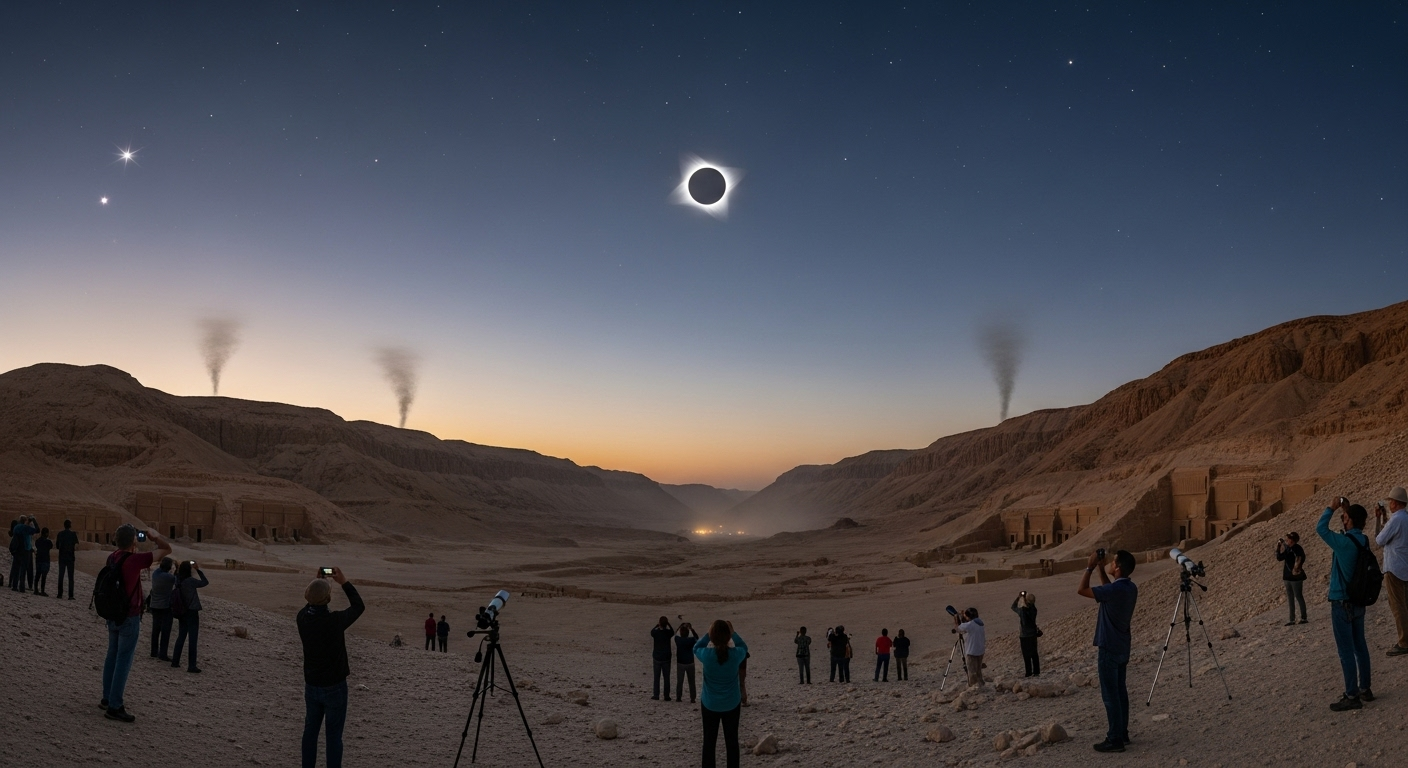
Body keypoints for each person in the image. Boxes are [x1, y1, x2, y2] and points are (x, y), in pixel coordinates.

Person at [100, 524, 172, 722]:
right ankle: (115, 706)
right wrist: (155, 537)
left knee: (112, 656)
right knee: (124, 660)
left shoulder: (112, 556)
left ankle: (107, 698)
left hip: (113, 614)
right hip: (129, 616)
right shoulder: (134, 560)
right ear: (133, 541)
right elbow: (167, 550)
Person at [298, 566, 365, 768]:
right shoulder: (334, 621)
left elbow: (310, 602)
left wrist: (318, 583)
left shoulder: (302, 619)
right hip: (334, 687)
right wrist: (343, 582)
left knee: (310, 732)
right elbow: (358, 606)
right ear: (327, 599)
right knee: (334, 736)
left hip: (312, 686)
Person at [1078, 548, 1138, 753]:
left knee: (1110, 695)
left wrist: (1089, 566)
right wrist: (1101, 569)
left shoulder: (1114, 591)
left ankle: (1115, 739)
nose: (1111, 563)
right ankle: (1122, 733)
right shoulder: (1130, 588)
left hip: (1109, 647)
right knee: (1120, 691)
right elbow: (1108, 591)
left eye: (1113, 562)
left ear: (1118, 567)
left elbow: (1082, 590)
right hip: (1122, 646)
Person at [1317, 498, 1374, 709]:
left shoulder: (1343, 543)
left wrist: (1332, 507)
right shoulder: (1363, 540)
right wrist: (1347, 512)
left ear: (1350, 521)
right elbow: (1351, 532)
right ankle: (1365, 689)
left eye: (1345, 518)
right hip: (1358, 601)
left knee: (1346, 651)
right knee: (1361, 646)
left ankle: (1351, 696)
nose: (1343, 519)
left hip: (1342, 602)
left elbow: (1321, 528)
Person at [694, 620, 748, 768]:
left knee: (709, 742)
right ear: (728, 636)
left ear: (713, 636)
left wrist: (708, 635)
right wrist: (733, 633)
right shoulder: (735, 654)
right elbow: (744, 647)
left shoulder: (706, 655)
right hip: (731, 703)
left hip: (710, 704)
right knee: (731, 741)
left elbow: (696, 647)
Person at [1375, 486, 1408, 656]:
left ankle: (1404, 642)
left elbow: (1380, 540)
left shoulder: (1396, 520)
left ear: (1394, 503)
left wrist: (1378, 520)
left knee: (1398, 606)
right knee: (1405, 605)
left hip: (1394, 568)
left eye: (1390, 502)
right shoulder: (1405, 518)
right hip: (1405, 567)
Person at [171, 559, 209, 673]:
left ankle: (175, 661)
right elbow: (205, 582)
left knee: (181, 636)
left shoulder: (177, 579)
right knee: (192, 639)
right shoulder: (190, 581)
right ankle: (191, 665)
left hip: (181, 610)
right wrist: (198, 570)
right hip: (191, 611)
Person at [1276, 532, 1309, 626]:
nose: (1286, 541)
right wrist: (1279, 547)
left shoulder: (1297, 549)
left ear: (1292, 540)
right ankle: (1292, 619)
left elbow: (1300, 559)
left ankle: (1304, 617)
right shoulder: (1288, 549)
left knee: (1298, 596)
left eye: (1288, 539)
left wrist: (1295, 569)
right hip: (1287, 576)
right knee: (1290, 598)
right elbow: (1279, 558)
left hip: (1296, 577)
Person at [148, 557, 176, 661]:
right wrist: (176, 569)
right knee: (165, 631)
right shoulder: (168, 577)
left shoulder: (156, 574)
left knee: (155, 630)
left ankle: (154, 651)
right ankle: (163, 653)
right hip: (165, 606)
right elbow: (177, 581)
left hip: (154, 605)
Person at [954, 608, 986, 688]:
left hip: (971, 652)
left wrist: (956, 618)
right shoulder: (979, 622)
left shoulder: (970, 625)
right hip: (980, 650)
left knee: (971, 672)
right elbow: (967, 625)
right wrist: (963, 617)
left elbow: (958, 628)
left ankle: (974, 687)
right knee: (978, 670)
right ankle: (981, 684)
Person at [1012, 591, 1041, 676]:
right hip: (1033, 634)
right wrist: (1026, 599)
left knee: (1026, 655)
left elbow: (1013, 607)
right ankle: (1036, 671)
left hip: (1024, 635)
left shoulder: (1022, 611)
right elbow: (1031, 604)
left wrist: (1019, 597)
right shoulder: (1034, 610)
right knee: (1034, 653)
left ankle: (1028, 672)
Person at [651, 615, 674, 700]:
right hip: (666, 657)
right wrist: (668, 624)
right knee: (666, 677)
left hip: (657, 656)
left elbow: (652, 632)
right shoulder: (668, 633)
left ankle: (656, 694)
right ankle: (666, 695)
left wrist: (657, 626)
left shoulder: (656, 633)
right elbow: (672, 631)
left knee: (656, 677)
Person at [675, 621, 699, 702]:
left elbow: (675, 634)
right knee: (692, 681)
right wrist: (692, 629)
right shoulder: (691, 640)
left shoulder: (678, 640)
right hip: (690, 662)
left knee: (680, 681)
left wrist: (679, 627)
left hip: (680, 663)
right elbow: (697, 638)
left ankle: (678, 697)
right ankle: (693, 698)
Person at [56, 519, 79, 600]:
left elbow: (57, 546)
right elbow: (76, 546)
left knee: (61, 575)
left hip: (62, 557)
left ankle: (59, 594)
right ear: (70, 525)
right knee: (70, 577)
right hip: (70, 557)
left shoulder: (60, 534)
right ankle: (71, 595)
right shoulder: (73, 534)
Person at [33, 527, 53, 596]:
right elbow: (51, 546)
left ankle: (35, 589)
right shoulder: (48, 542)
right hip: (45, 560)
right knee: (43, 576)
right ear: (46, 533)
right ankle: (42, 590)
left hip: (38, 559)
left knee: (37, 575)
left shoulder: (38, 541)